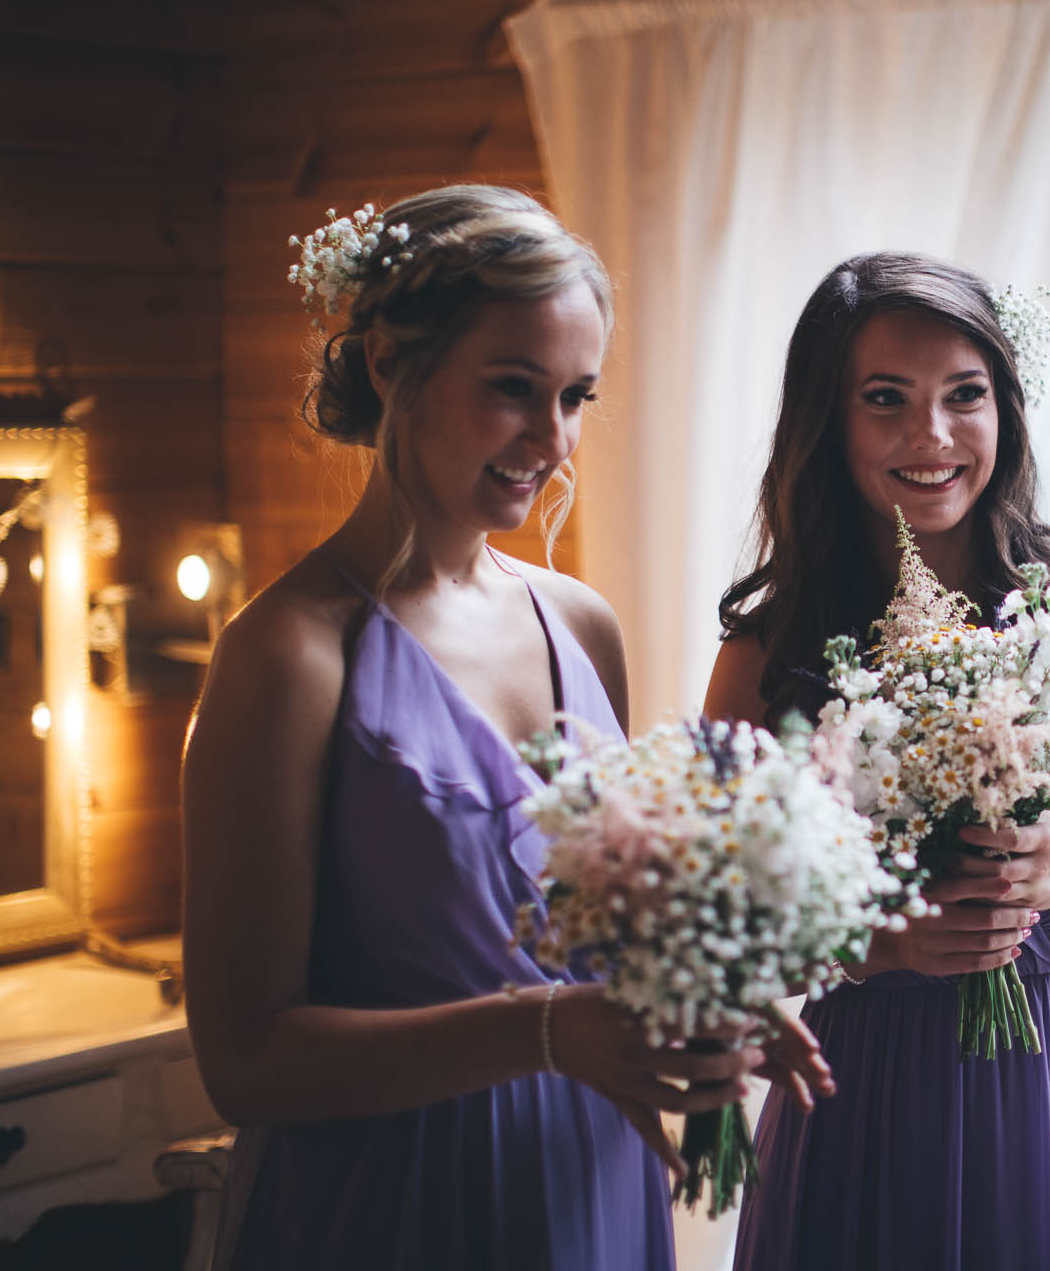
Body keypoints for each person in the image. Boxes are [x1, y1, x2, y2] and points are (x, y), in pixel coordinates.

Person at [182, 184, 826, 1270]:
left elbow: (600, 931)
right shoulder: (289, 653)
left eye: (575, 395)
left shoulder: (580, 622)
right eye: (512, 389)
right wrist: (541, 1033)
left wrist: (703, 996)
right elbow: (243, 1062)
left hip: (590, 1180)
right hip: (395, 1201)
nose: (552, 438)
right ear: (391, 364)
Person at [706, 252, 1050, 1270]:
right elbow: (724, 942)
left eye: (963, 396)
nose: (931, 437)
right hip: (874, 1096)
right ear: (826, 421)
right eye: (886, 399)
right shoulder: (768, 655)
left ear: (1003, 411)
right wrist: (883, 941)